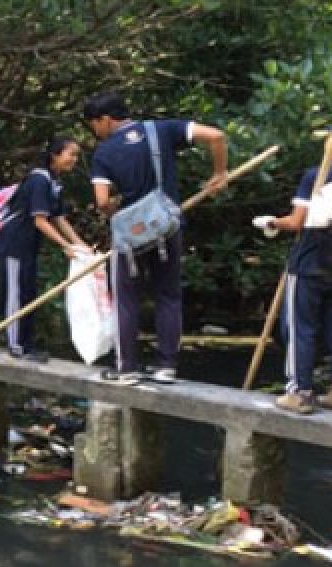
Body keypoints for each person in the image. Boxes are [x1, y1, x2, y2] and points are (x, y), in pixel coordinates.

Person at [83, 92, 227, 385]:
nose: (94, 131)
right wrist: (219, 173)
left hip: (129, 237)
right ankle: (167, 367)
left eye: (93, 125)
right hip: (166, 227)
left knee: (126, 299)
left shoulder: (104, 152)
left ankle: (128, 369)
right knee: (168, 296)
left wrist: (113, 207)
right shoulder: (160, 130)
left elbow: (101, 201)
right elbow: (215, 135)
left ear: (105, 120)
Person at [251, 115, 332, 415]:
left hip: (310, 263)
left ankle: (300, 393)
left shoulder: (318, 175)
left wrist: (270, 222)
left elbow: (296, 222)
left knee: (299, 328)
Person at [0, 137, 91, 362]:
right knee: (15, 296)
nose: (74, 160)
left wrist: (79, 244)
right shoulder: (39, 180)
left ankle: (27, 344)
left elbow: (59, 218)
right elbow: (41, 221)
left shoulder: (54, 182)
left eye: (76, 155)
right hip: (14, 246)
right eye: (70, 154)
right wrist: (66, 246)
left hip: (29, 248)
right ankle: (16, 345)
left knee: (28, 293)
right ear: (55, 155)